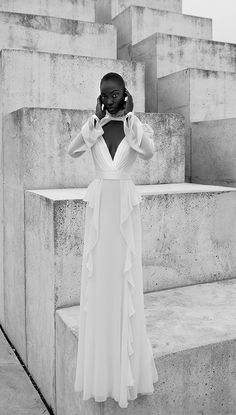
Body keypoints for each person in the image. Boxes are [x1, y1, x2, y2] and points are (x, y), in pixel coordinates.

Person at [67, 72, 159, 409]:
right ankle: (101, 365)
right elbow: (72, 150)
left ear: (125, 94)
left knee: (124, 280)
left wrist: (132, 118)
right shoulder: (95, 127)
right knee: (100, 281)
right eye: (104, 94)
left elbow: (148, 152)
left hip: (123, 206)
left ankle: (125, 366)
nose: (109, 99)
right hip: (100, 208)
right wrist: (93, 122)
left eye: (115, 93)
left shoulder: (135, 126)